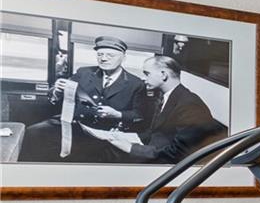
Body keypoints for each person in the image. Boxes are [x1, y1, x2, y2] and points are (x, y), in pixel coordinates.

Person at [17, 35, 149, 161]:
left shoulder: (136, 84)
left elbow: (140, 115)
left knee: (92, 154)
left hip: (106, 131)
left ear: (123, 58)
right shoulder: (84, 73)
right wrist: (56, 90)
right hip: (77, 125)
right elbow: (55, 95)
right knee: (33, 133)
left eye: (110, 55)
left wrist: (117, 114)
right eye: (100, 55)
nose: (104, 59)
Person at [78, 55, 226, 164]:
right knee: (105, 150)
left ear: (163, 75)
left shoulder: (189, 104)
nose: (144, 79)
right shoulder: (167, 97)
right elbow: (155, 132)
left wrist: (131, 148)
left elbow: (179, 153)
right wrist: (125, 137)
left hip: (170, 164)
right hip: (157, 152)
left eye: (147, 74)